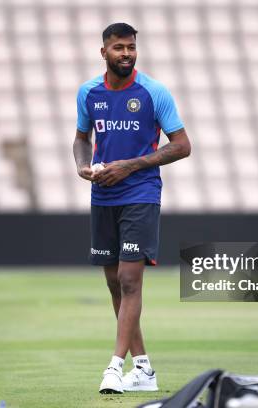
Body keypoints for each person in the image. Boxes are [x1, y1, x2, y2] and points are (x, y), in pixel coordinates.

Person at [72, 23, 191, 394]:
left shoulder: (153, 92)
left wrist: (130, 165)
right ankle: (143, 370)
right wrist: (82, 166)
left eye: (131, 47)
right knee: (113, 284)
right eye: (119, 48)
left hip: (141, 193)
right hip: (103, 196)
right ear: (103, 52)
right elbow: (81, 138)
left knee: (128, 281)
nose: (126, 53)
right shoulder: (88, 93)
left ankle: (114, 367)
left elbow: (182, 145)